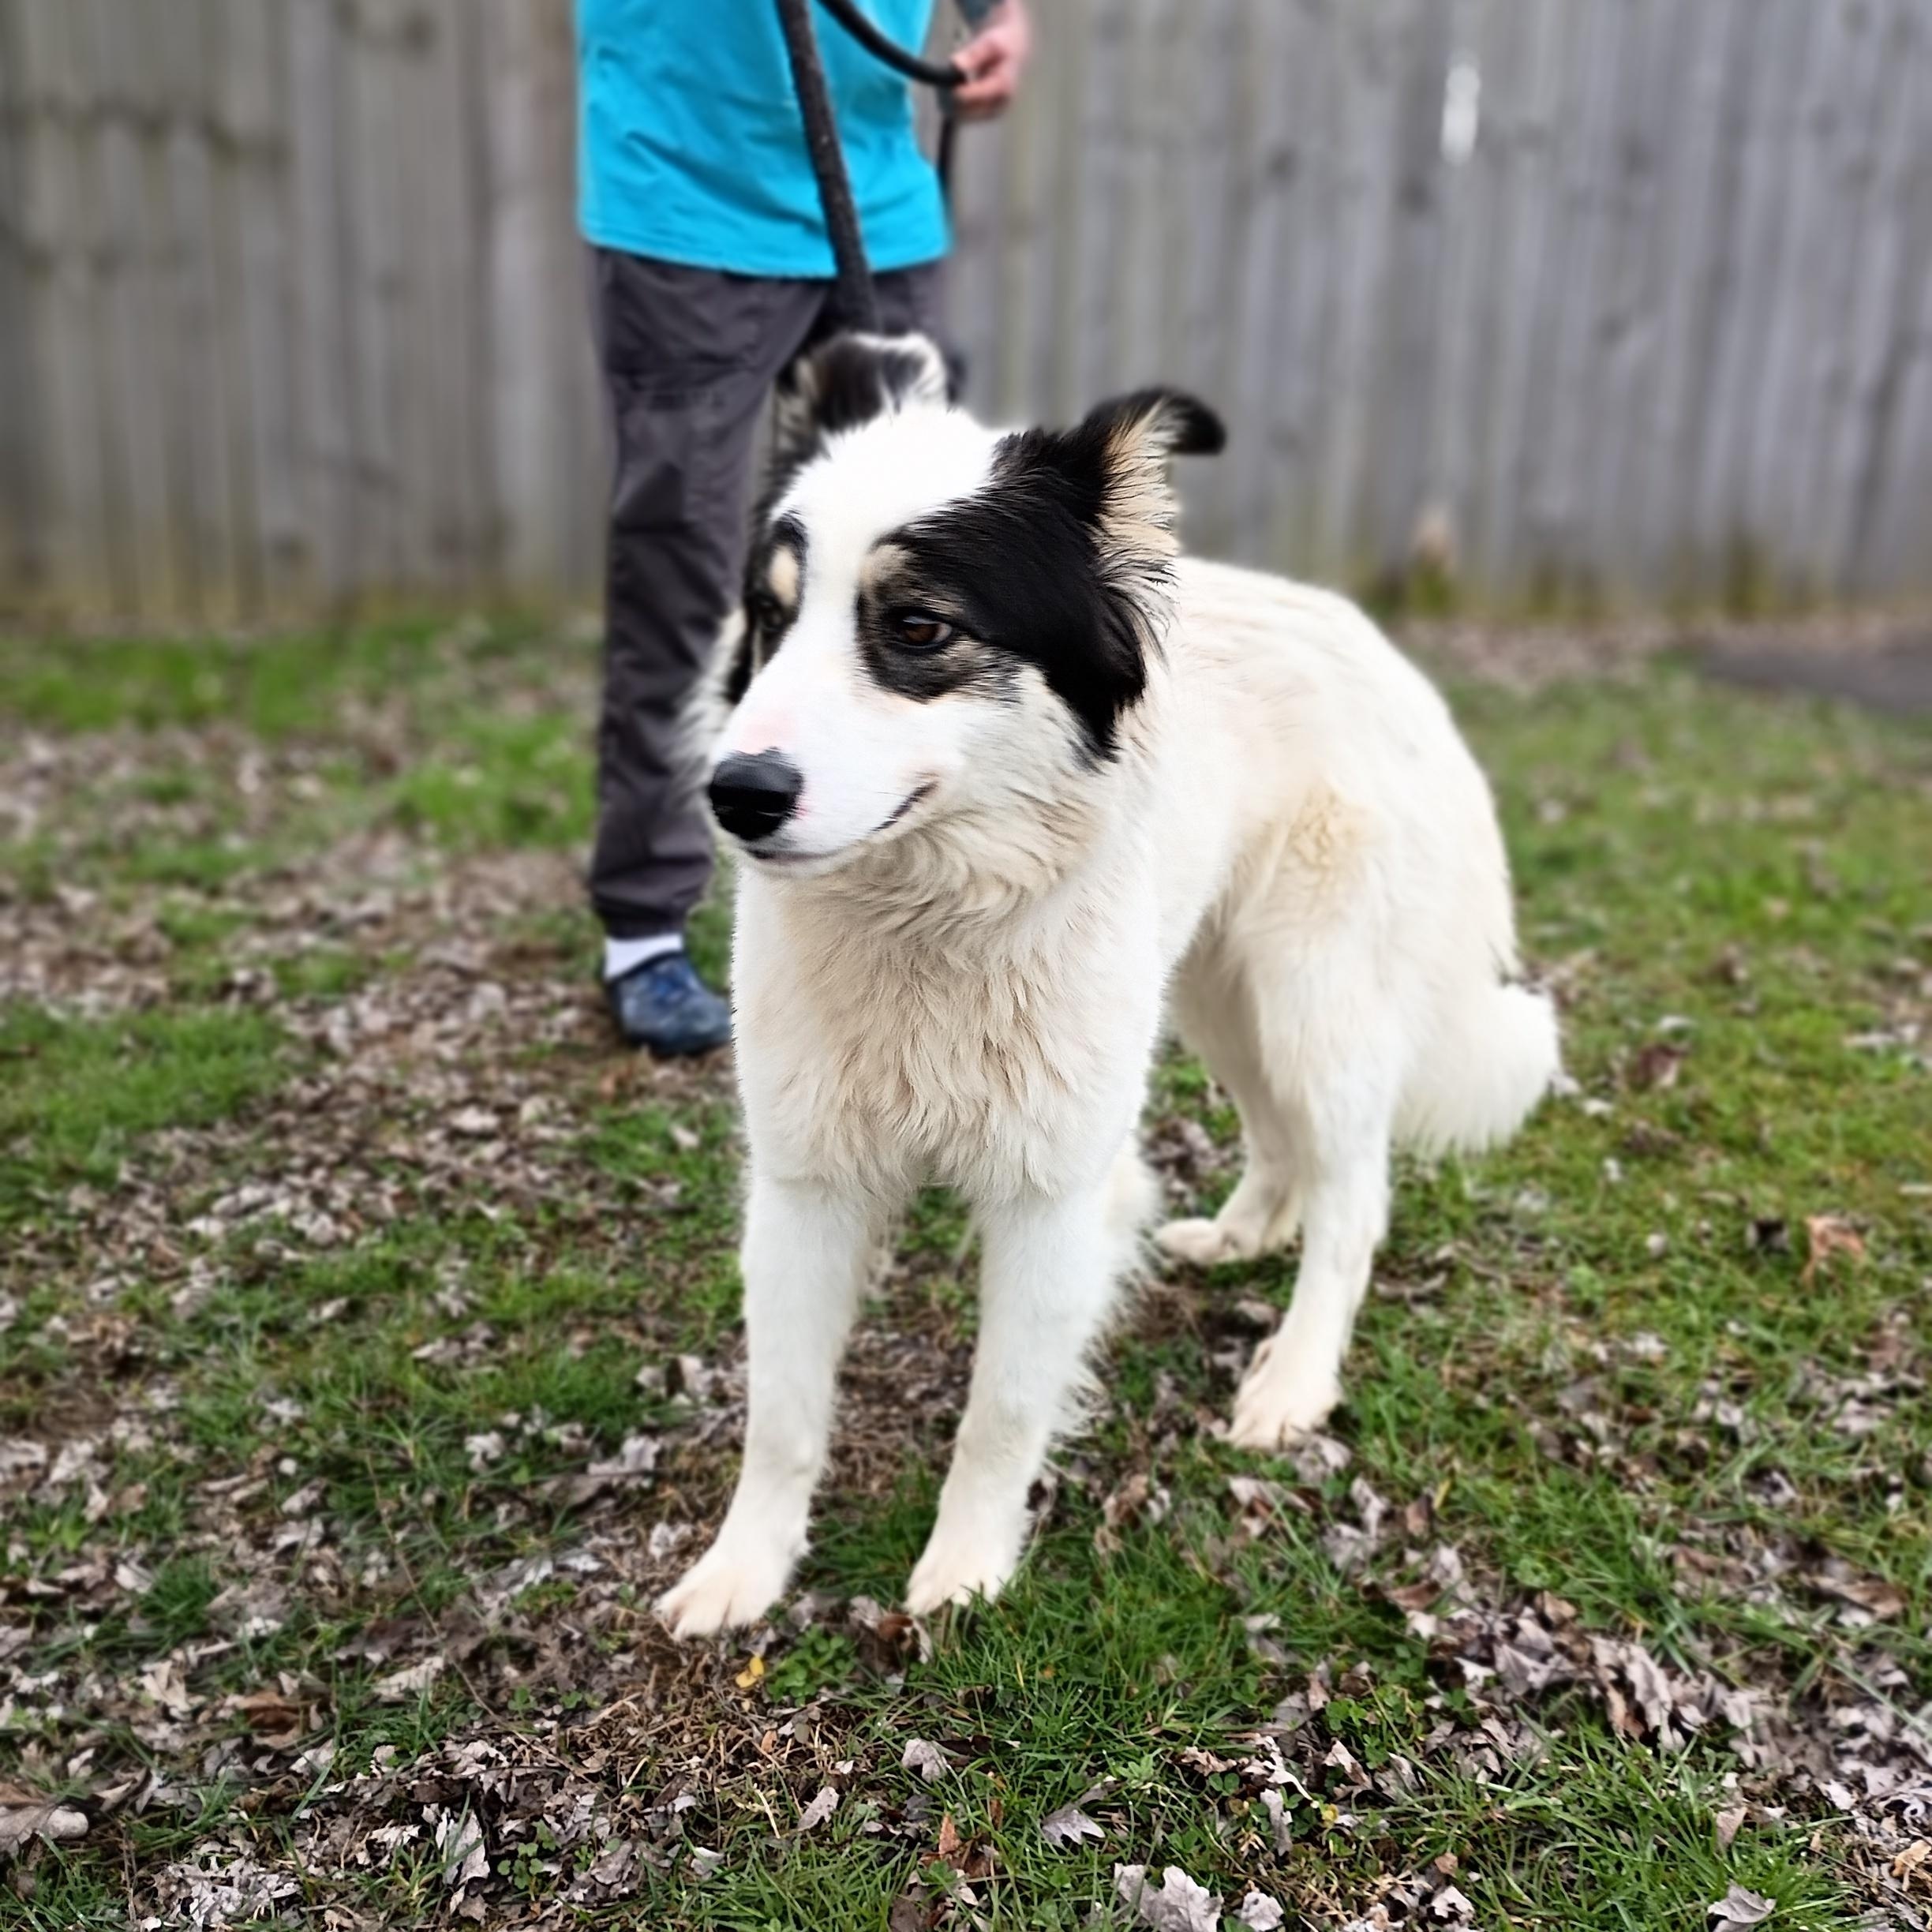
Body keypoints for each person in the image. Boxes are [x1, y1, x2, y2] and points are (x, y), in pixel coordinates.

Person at [575, 0, 1033, 1054]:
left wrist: (1001, 16)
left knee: (910, 573)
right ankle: (645, 926)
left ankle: (886, 892)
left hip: (876, 198)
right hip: (685, 199)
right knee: (683, 575)